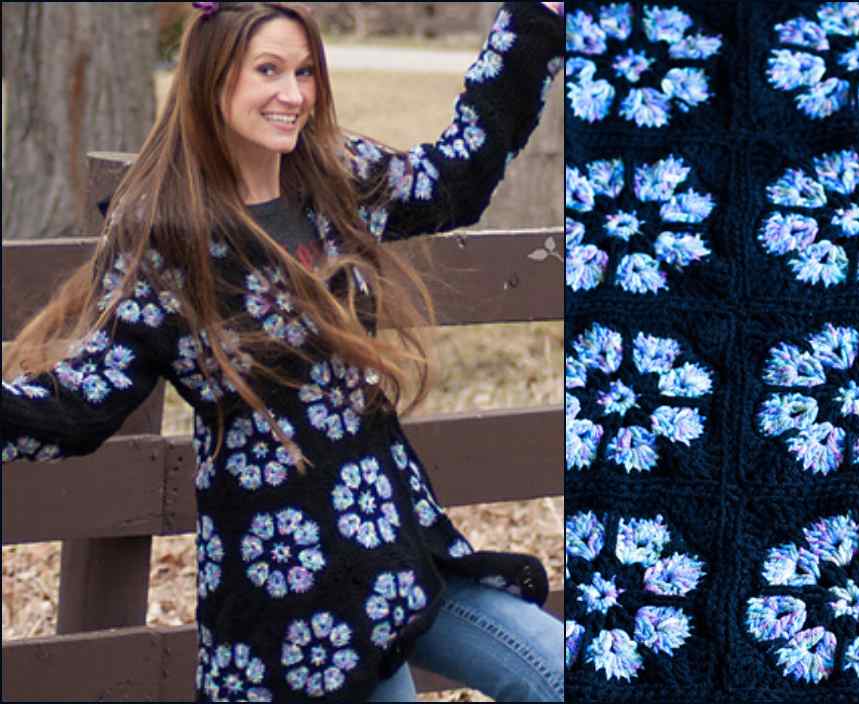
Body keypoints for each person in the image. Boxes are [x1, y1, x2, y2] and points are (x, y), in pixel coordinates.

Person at [1, 2, 565, 702]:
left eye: (304, 72)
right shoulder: (166, 236)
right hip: (293, 587)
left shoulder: (335, 179)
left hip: (393, 544)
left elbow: (458, 177)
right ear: (212, 79)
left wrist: (533, 22)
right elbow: (83, 402)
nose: (293, 95)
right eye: (268, 70)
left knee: (556, 666)